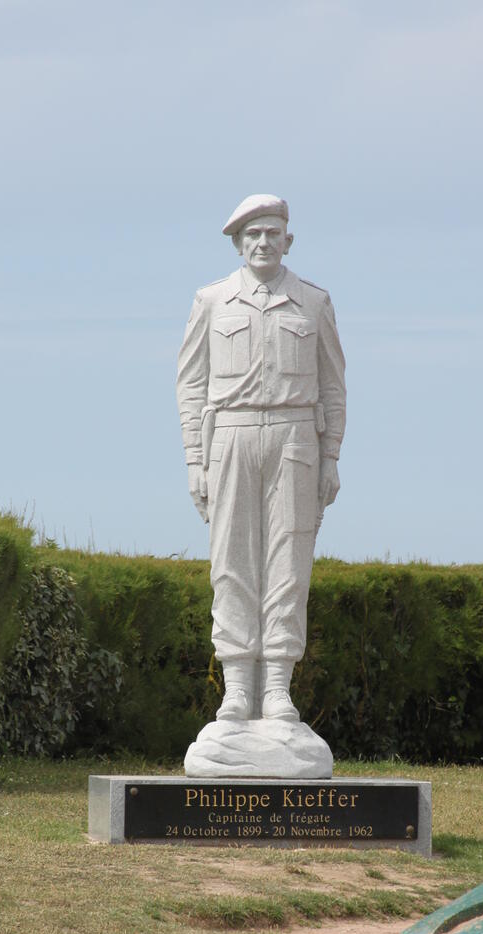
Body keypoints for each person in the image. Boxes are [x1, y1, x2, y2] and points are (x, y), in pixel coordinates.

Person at [176, 194, 346, 724]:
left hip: (296, 439)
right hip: (231, 434)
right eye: (253, 234)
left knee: (288, 563)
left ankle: (276, 687)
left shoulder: (313, 303)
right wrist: (195, 460)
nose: (263, 242)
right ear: (237, 243)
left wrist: (331, 455)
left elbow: (334, 386)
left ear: (288, 240)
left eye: (273, 232)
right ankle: (237, 689)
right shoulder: (212, 301)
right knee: (232, 561)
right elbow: (191, 384)